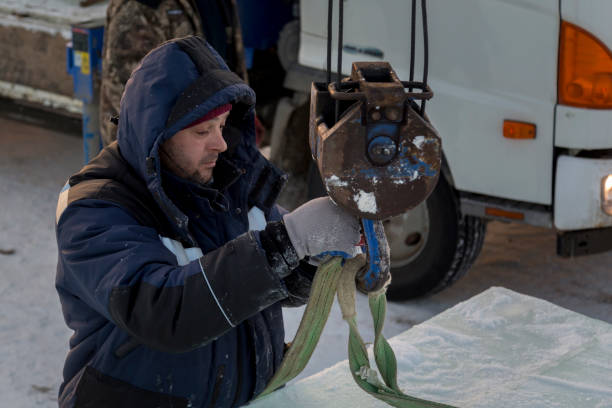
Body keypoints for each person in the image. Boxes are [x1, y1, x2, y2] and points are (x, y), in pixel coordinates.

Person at [55, 36, 361, 408]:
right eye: (202, 132)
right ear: (157, 133)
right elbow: (163, 311)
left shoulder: (225, 183)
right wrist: (289, 240)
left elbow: (271, 282)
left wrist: (315, 257)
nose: (220, 144)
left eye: (222, 125)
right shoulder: (95, 209)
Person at [99, 0, 247, 146]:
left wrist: (245, 115)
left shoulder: (218, 3)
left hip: (217, 139)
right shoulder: (138, 7)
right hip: (169, 153)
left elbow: (230, 57)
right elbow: (127, 101)